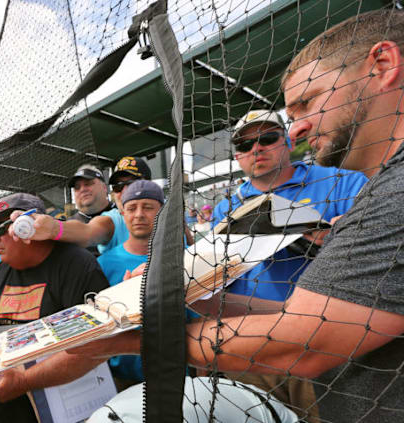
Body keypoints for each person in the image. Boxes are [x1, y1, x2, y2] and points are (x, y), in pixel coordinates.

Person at [66, 9, 404, 422]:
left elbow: (307, 339)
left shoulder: (370, 187)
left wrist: (138, 340)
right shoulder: (232, 203)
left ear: (383, 65)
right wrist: (193, 296)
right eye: (244, 144)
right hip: (271, 351)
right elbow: (302, 316)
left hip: (316, 364)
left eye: (306, 103)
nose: (295, 130)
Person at [0, 193, 110, 423]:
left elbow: (96, 347)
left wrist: (25, 380)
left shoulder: (77, 266)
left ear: (29, 227)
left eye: (0, 228)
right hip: (10, 411)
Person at [211, 109, 368, 303]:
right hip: (250, 318)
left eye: (267, 138)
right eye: (245, 144)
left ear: (289, 142)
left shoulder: (342, 182)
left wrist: (343, 236)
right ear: (238, 157)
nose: (256, 148)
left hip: (330, 311)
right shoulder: (224, 208)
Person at [96, 180, 163, 385]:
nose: (139, 214)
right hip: (119, 378)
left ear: (162, 212)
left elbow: (197, 321)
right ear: (122, 214)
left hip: (171, 372)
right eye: (132, 208)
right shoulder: (102, 264)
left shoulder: (180, 258)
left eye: (148, 207)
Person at [16, 156, 152, 253]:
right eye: (118, 186)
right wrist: (53, 228)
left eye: (132, 183)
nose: (125, 191)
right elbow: (88, 232)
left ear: (104, 188)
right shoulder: (112, 219)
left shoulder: (170, 212)